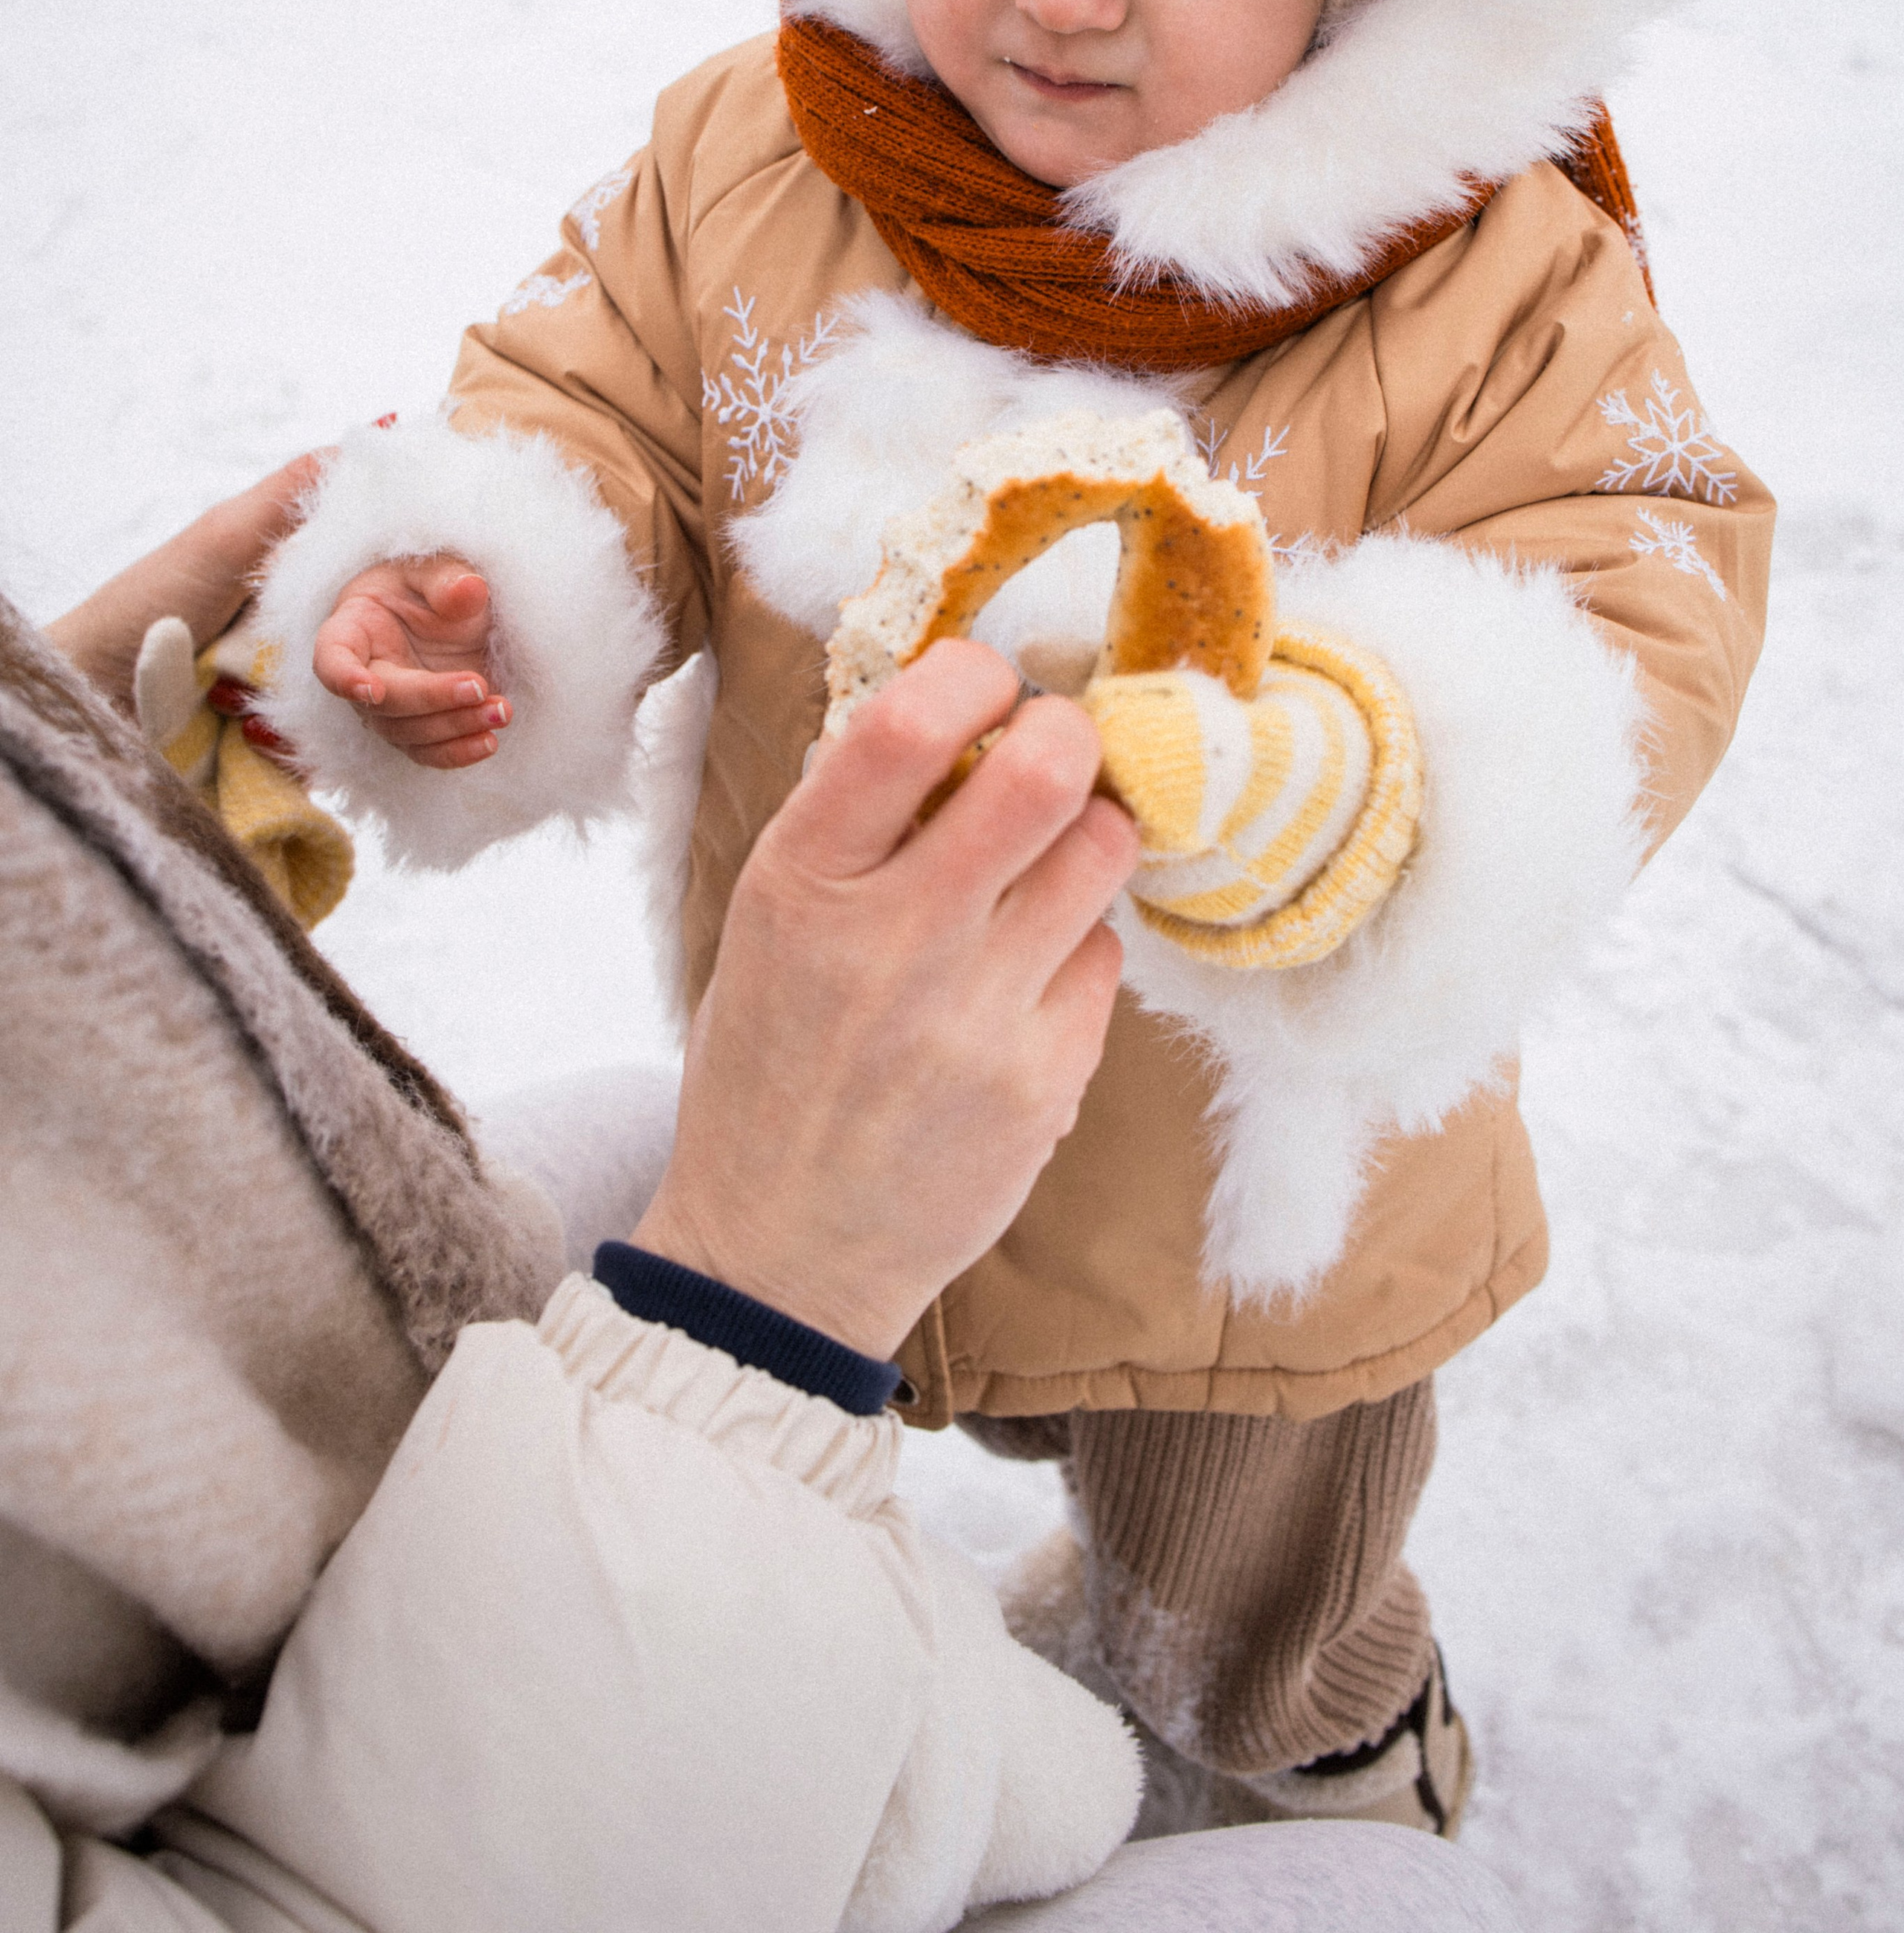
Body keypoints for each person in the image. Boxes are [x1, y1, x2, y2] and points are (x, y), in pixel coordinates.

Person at [251, 0, 1773, 1831]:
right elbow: (593, 375)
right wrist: (492, 563)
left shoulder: (1487, 279)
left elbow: (1637, 576)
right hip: (834, 1076)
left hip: (1236, 1186)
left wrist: (1368, 776)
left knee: (1228, 1553)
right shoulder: (771, 149)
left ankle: (1310, 1733)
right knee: (792, 1434)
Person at [2, 495, 1525, 1931]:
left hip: (253, 1401)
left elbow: (1614, 601)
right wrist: (751, 1309)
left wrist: (75, 764)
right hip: (448, 1826)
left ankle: (1321, 1725)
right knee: (1402, 1913)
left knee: (1258, 1539)